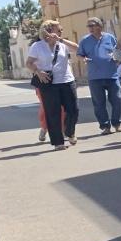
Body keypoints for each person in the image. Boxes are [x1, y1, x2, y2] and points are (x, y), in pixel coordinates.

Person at [26, 20, 79, 150]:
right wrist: (38, 72)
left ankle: (69, 132)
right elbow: (29, 63)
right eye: (58, 29)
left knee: (73, 110)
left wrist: (61, 39)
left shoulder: (62, 44)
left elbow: (77, 48)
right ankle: (58, 142)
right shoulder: (37, 46)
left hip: (67, 80)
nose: (61, 31)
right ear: (48, 31)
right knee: (53, 112)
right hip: (49, 83)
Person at [77, 17, 121, 135]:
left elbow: (117, 50)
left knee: (117, 100)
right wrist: (84, 59)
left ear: (99, 26)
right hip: (95, 77)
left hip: (112, 75)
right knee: (99, 103)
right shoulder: (85, 40)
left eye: (92, 25)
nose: (90, 28)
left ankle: (116, 123)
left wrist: (117, 59)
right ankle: (105, 126)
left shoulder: (110, 37)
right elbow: (80, 55)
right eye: (89, 26)